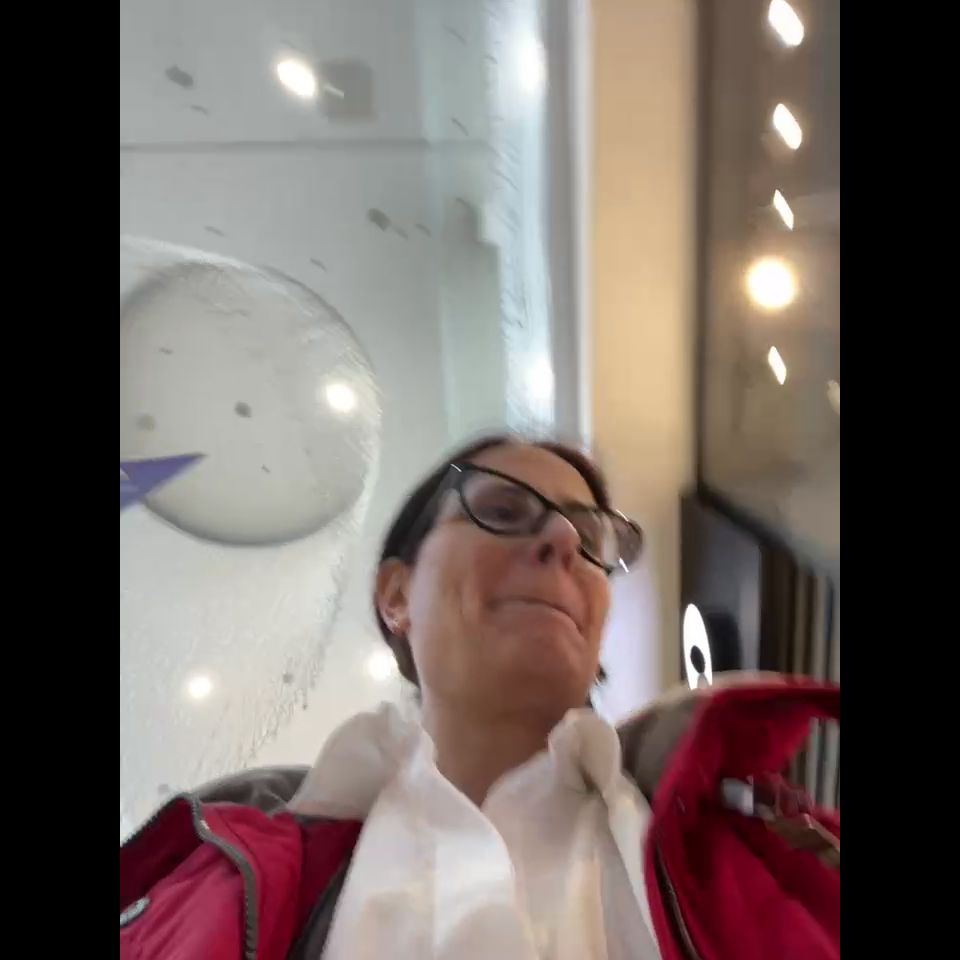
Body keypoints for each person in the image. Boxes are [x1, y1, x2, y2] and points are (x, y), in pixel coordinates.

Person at [120, 435, 839, 960]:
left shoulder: (766, 847)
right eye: (501, 508)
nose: (562, 540)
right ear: (396, 596)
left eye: (590, 536)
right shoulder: (214, 869)